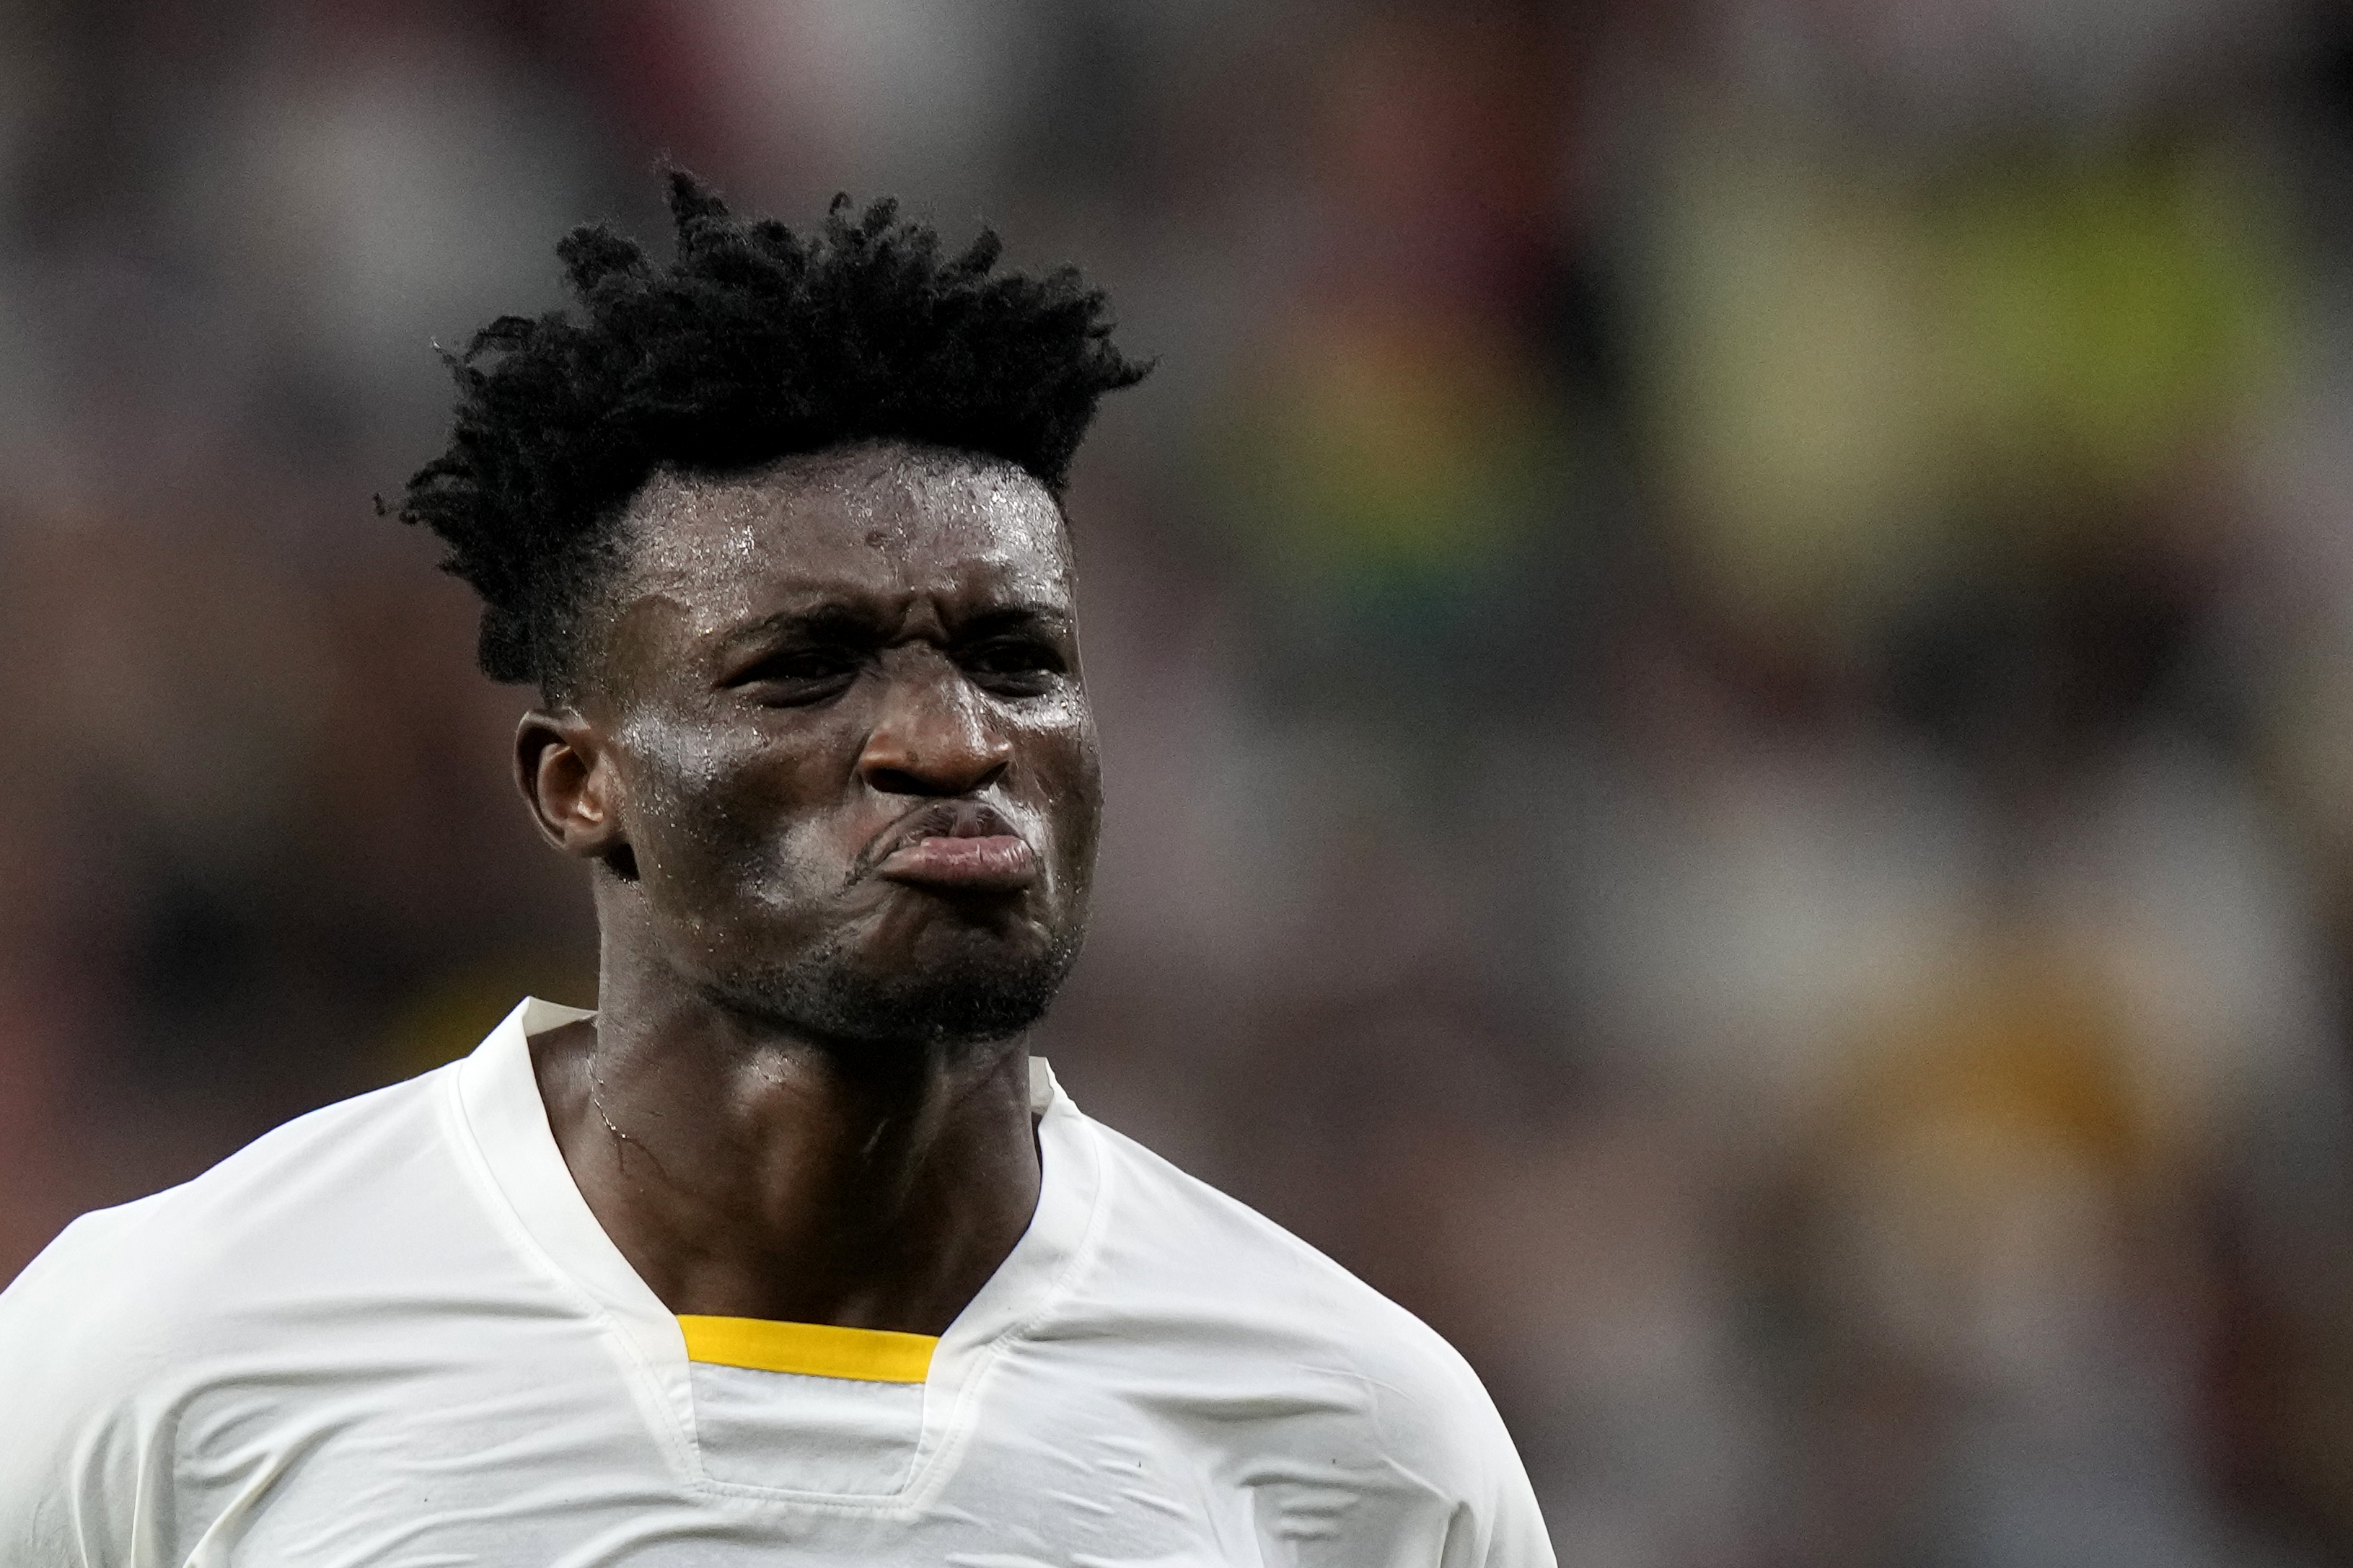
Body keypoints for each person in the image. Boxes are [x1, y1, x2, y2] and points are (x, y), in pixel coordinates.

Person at [0, 173, 1554, 1566]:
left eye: (1016, 659)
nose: (951, 743)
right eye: (806, 670)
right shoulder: (162, 1346)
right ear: (577, 783)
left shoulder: (1356, 1444)